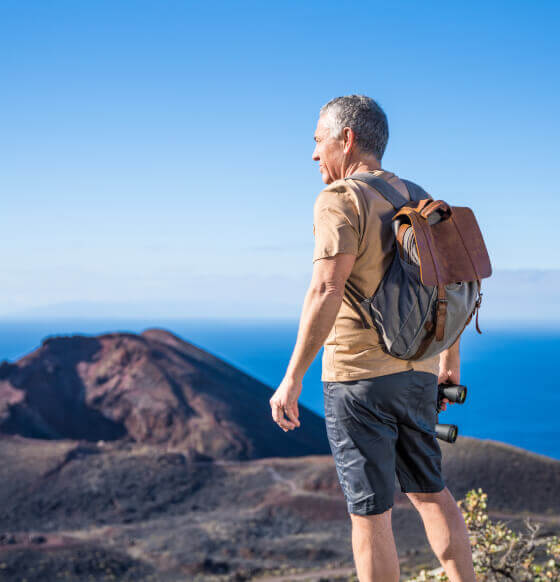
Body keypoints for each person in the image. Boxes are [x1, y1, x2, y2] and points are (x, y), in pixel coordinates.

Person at [269, 95, 476, 582]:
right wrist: (449, 361)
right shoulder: (419, 196)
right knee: (431, 492)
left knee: (370, 511)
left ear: (348, 139)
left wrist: (292, 378)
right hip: (418, 373)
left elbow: (325, 287)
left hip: (358, 380)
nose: (315, 154)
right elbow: (447, 290)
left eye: (319, 140)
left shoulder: (339, 199)